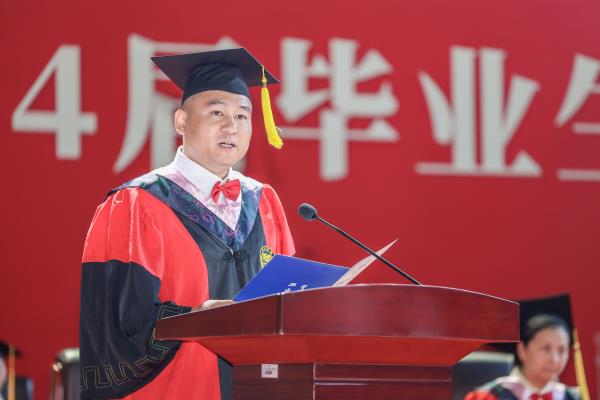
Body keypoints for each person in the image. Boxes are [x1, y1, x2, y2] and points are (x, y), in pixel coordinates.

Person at [80, 48, 295, 400]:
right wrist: (195, 317)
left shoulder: (264, 202)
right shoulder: (137, 204)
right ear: (181, 121)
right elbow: (118, 325)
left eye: (243, 116)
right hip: (178, 388)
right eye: (216, 112)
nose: (232, 126)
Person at [464, 295, 583, 400]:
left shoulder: (574, 397)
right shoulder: (488, 397)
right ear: (522, 350)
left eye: (562, 350)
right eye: (546, 348)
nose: (555, 359)